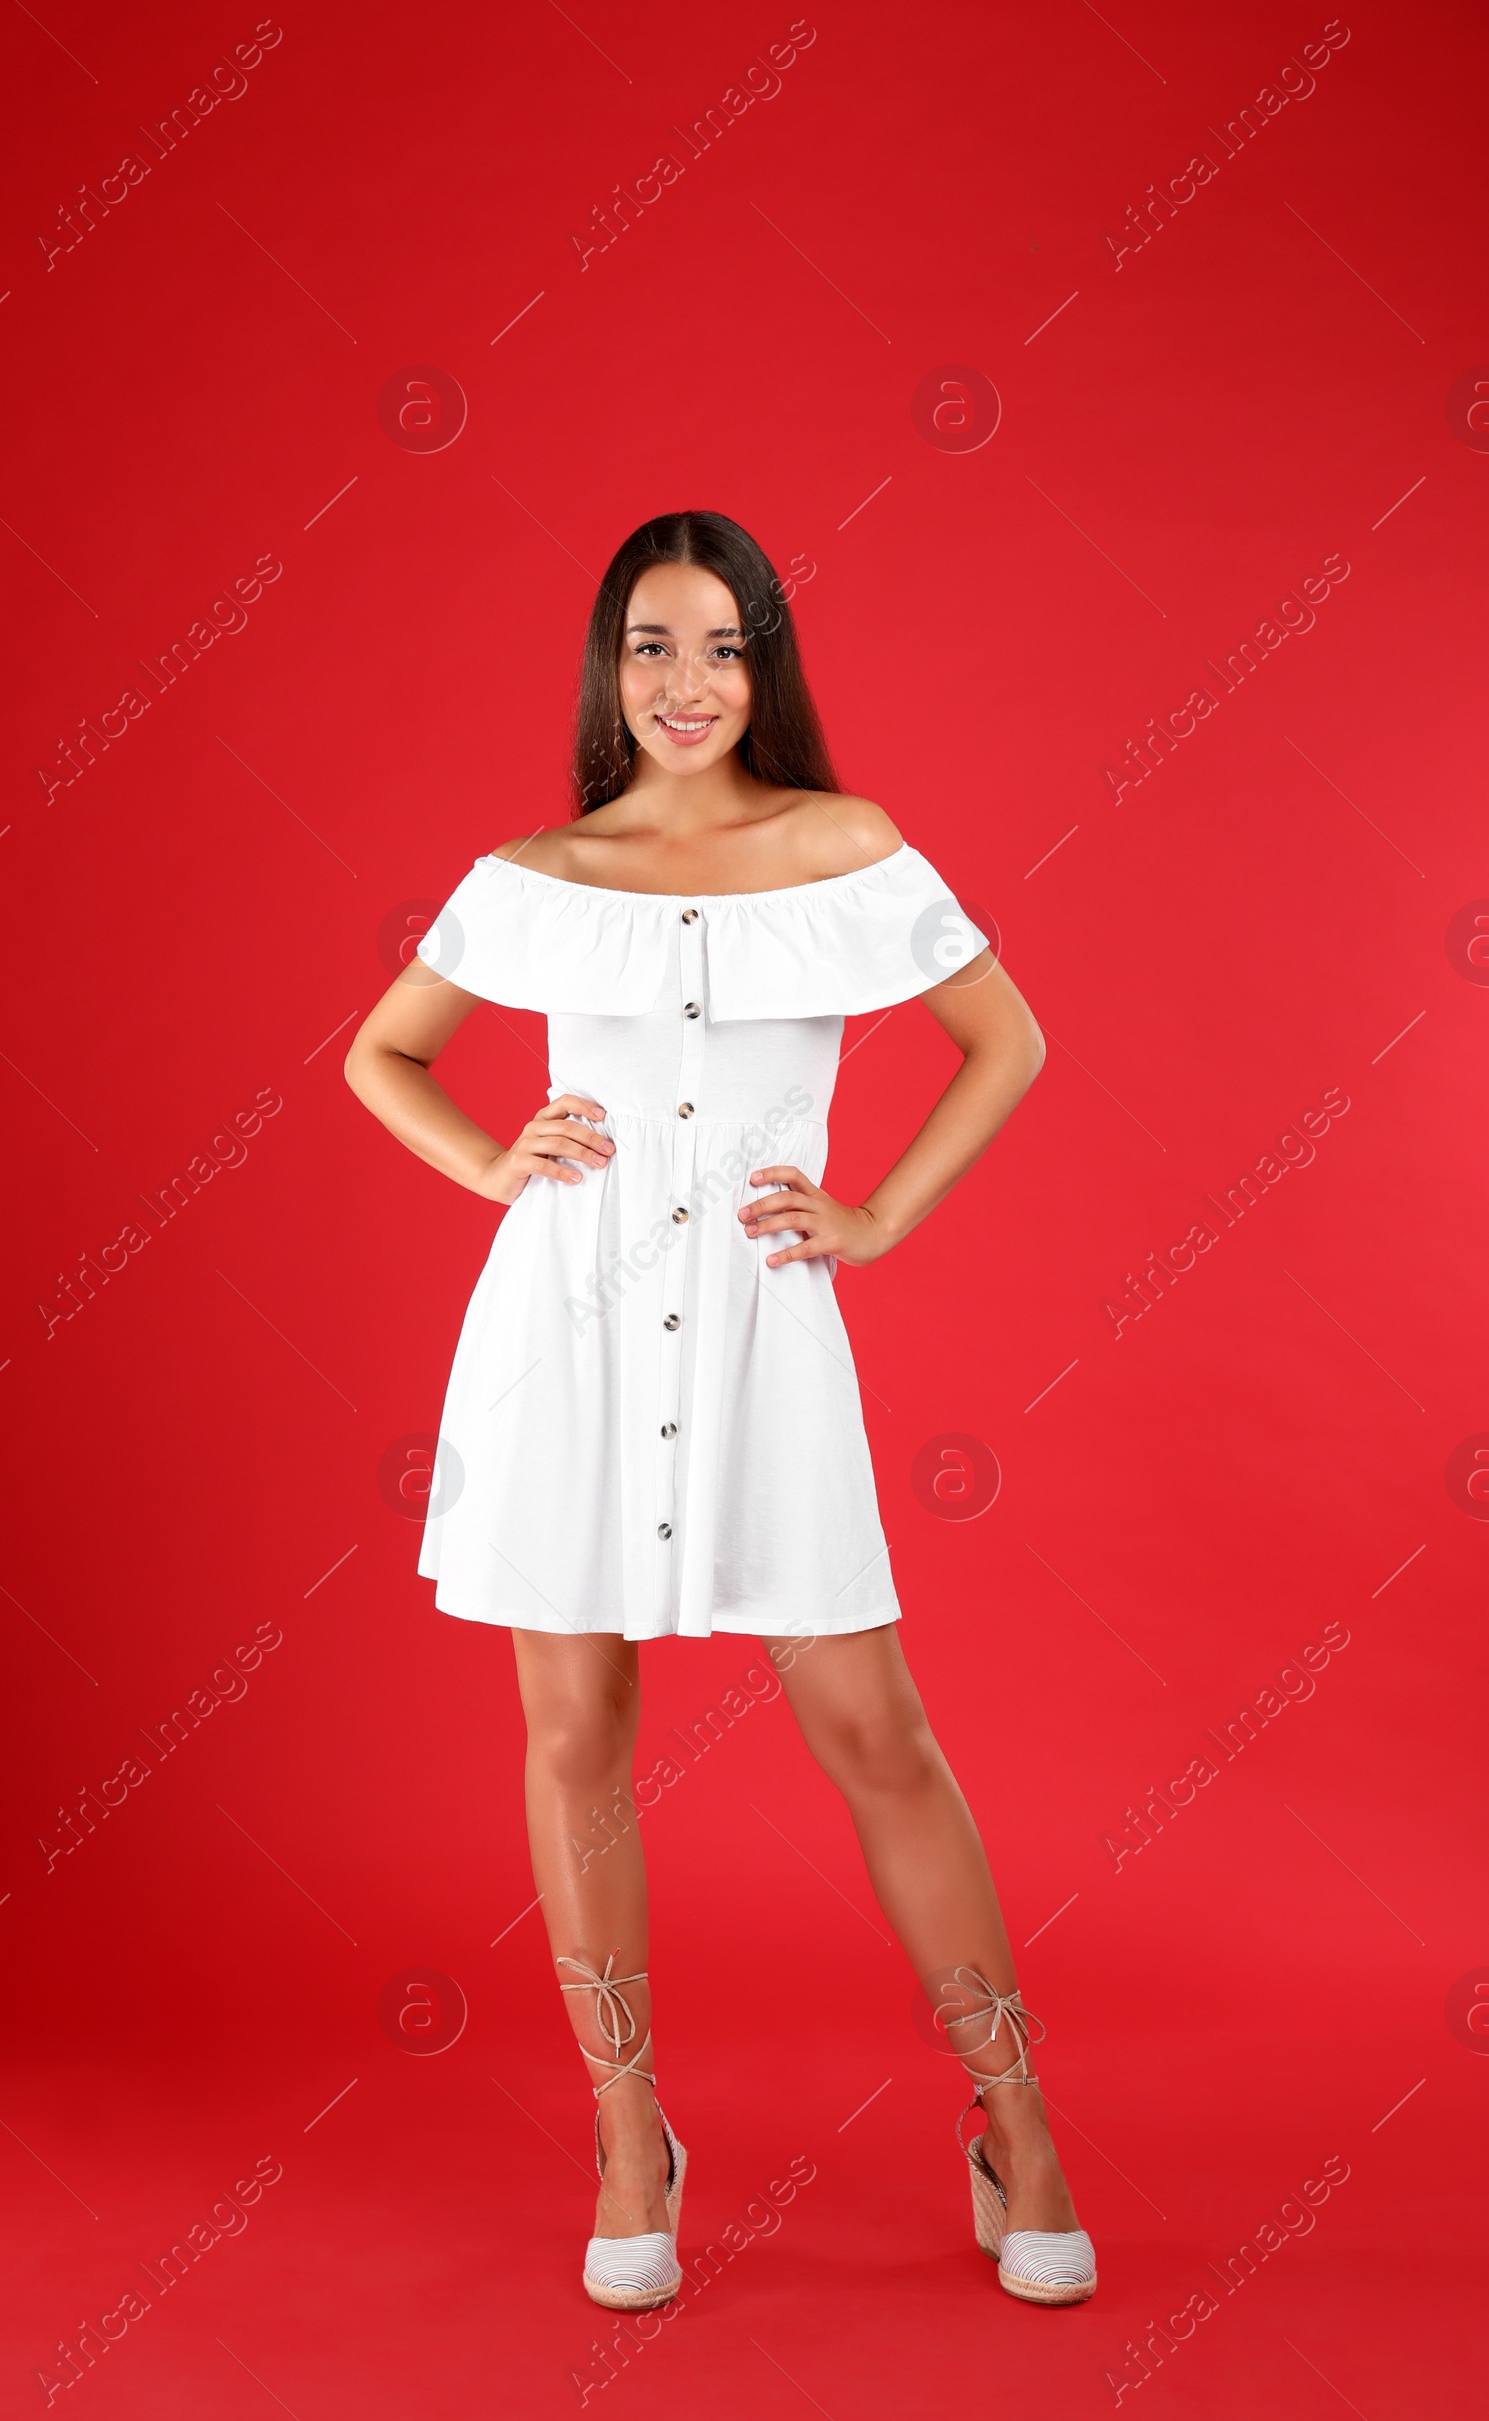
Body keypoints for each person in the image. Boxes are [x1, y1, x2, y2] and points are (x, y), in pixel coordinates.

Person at [344, 510, 1094, 2312]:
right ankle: (628, 2139)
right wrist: (487, 1160)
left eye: (723, 646)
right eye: (653, 646)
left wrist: (878, 1214)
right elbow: (383, 1051)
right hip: (567, 1337)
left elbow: (1010, 1038)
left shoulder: (846, 847)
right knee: (574, 1731)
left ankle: (1021, 2130)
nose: (688, 685)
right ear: (610, 664)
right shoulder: (536, 873)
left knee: (876, 1727)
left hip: (765, 1339)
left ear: (768, 662)